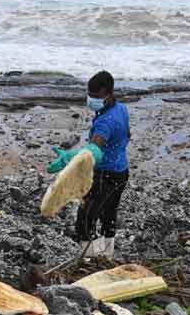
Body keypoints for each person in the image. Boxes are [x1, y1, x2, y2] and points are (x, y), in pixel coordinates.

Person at [47, 70, 130, 259]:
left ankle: (90, 257)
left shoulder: (105, 122)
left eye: (96, 96)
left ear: (108, 93)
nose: (91, 99)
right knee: (109, 211)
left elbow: (95, 150)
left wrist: (70, 156)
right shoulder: (121, 109)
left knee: (85, 218)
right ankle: (108, 251)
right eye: (89, 95)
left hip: (105, 175)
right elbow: (128, 135)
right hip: (122, 171)